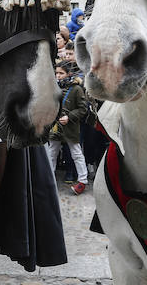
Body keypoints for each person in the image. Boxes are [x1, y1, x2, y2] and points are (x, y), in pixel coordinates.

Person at [45, 61, 89, 195]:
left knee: (76, 153)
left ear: (69, 73)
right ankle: (48, 179)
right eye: (56, 73)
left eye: (61, 73)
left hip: (70, 127)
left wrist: (69, 117)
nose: (58, 76)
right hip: (55, 127)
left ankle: (83, 181)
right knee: (52, 152)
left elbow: (83, 109)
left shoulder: (77, 89)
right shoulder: (53, 87)